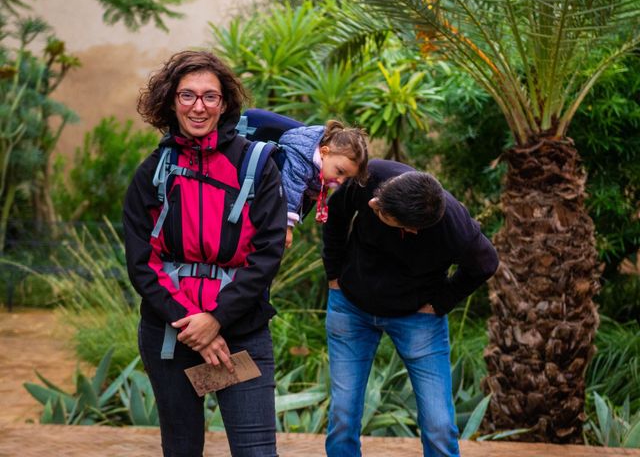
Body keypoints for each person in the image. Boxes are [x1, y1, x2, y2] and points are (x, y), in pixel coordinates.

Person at [123, 50, 286, 457]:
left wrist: (216, 320)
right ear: (171, 101)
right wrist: (193, 328)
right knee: (182, 450)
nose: (199, 107)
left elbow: (266, 254)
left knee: (256, 451)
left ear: (225, 102)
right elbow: (142, 263)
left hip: (240, 331)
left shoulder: (256, 165)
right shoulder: (152, 172)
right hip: (170, 336)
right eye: (187, 96)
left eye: (210, 96)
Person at [322, 159, 499, 457]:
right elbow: (336, 214)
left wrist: (440, 302)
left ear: (410, 229)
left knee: (439, 424)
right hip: (351, 305)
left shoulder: (455, 229)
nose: (375, 203)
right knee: (343, 413)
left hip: (417, 317)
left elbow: (485, 264)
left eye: (382, 212)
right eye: (379, 198)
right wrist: (333, 274)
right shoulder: (372, 178)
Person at [277, 120, 369, 248]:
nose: (341, 181)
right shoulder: (300, 162)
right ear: (324, 152)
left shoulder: (321, 164)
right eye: (340, 171)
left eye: (347, 178)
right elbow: (291, 191)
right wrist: (286, 227)